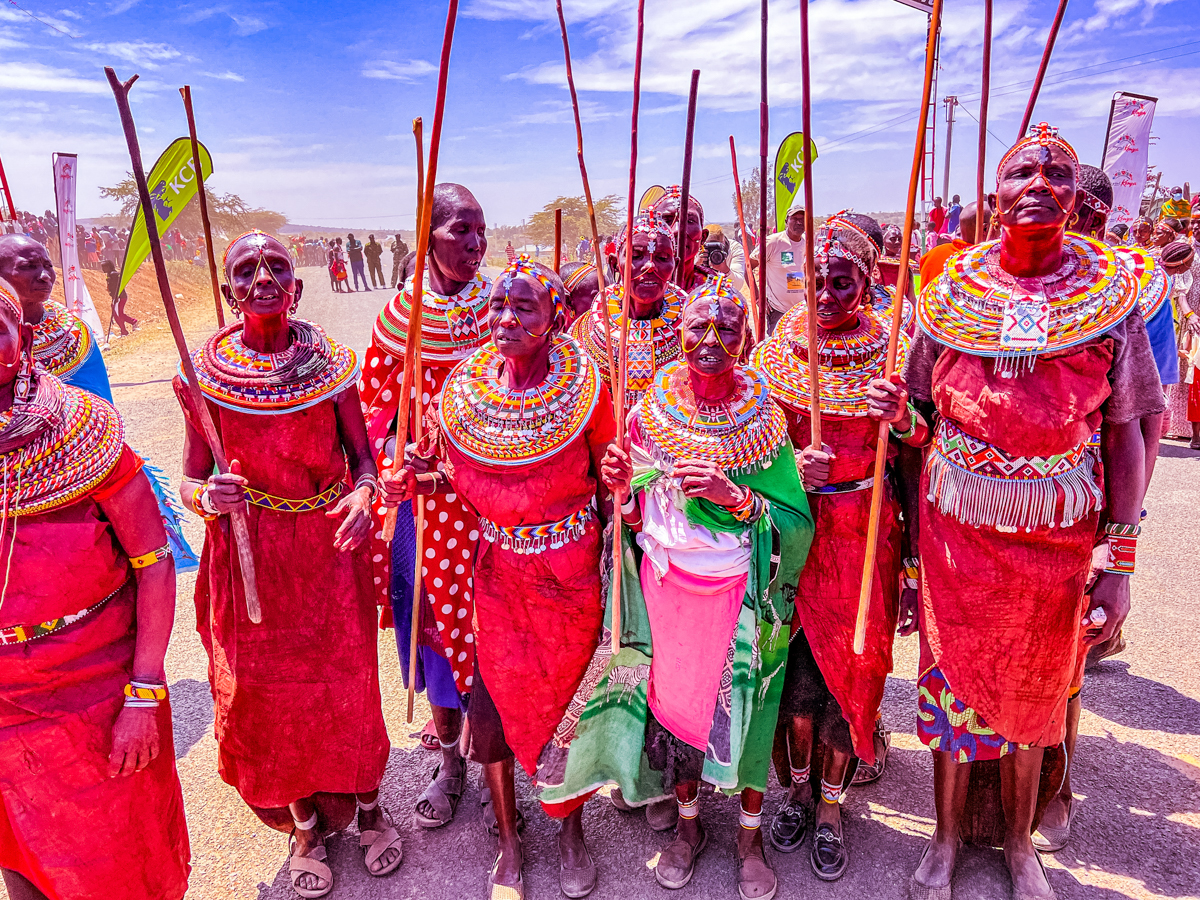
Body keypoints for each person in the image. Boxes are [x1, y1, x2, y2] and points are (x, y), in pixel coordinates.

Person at [872, 124, 1161, 900]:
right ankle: (940, 839)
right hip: (956, 530)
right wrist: (901, 434)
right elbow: (917, 419)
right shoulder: (950, 295)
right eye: (1022, 170)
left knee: (1039, 688)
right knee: (949, 685)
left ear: (1076, 196)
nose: (1040, 180)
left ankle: (1019, 845)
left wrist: (1119, 561)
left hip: (1057, 538)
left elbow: (1126, 430)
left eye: (1058, 171)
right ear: (995, 198)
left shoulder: (1112, 299)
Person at [384, 256, 615, 900]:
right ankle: (510, 842)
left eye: (524, 309)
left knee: (570, 706)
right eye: (498, 307)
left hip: (569, 578)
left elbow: (609, 482)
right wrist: (409, 479)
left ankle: (569, 830)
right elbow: (442, 477)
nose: (505, 320)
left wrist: (625, 480)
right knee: (492, 708)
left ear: (555, 319)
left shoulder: (590, 389)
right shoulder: (463, 390)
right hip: (498, 578)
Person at [176, 232, 395, 899]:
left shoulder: (332, 366)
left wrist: (364, 491)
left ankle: (367, 806)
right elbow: (190, 479)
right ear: (229, 291)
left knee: (346, 683)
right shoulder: (205, 376)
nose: (264, 277)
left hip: (329, 556)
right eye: (247, 270)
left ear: (296, 288)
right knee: (266, 699)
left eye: (277, 267)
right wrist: (207, 496)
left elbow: (364, 460)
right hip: (249, 562)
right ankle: (302, 821)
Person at [592, 277, 813, 900]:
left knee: (748, 714)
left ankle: (749, 838)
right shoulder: (648, 411)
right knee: (680, 714)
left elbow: (794, 523)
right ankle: (688, 829)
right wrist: (622, 487)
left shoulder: (765, 416)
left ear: (747, 339)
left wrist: (735, 498)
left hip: (742, 596)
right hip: (669, 592)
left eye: (727, 330)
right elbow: (634, 517)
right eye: (697, 329)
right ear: (678, 335)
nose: (710, 342)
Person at [0, 280, 191, 900]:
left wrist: (143, 693)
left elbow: (153, 560)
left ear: (23, 339)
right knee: (23, 856)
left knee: (122, 863)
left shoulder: (81, 429)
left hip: (99, 686)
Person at [753, 214, 917, 881]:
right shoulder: (774, 350)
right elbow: (748, 446)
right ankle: (794, 791)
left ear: (867, 280)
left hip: (865, 537)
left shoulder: (896, 350)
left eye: (841, 281)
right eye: (815, 280)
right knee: (790, 682)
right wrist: (793, 463)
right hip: (796, 538)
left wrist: (902, 415)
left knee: (852, 680)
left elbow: (918, 455)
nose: (825, 293)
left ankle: (831, 809)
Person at [359, 183, 489, 832]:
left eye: (480, 231)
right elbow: (375, 408)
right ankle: (452, 761)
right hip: (428, 501)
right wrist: (401, 449)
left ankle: (500, 756)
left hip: (494, 501)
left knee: (500, 622)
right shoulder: (398, 318)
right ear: (426, 238)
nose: (474, 244)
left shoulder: (504, 308)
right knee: (432, 623)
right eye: (459, 231)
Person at [573, 211, 685, 411]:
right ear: (615, 263)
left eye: (662, 257)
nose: (650, 265)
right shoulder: (587, 331)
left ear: (674, 265)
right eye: (635, 255)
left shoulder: (692, 326)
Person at [748, 203, 807, 332]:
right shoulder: (773, 242)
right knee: (778, 349)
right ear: (787, 221)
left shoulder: (808, 243)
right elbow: (748, 267)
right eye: (795, 219)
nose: (799, 223)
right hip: (778, 311)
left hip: (802, 312)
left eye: (802, 219)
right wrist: (758, 298)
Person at [651, 185, 714, 292]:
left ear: (703, 237)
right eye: (666, 221)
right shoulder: (634, 289)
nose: (677, 230)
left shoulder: (716, 289)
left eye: (689, 221)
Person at [103, 258, 138, 335]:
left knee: (119, 314)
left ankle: (128, 327)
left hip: (120, 297)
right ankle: (126, 328)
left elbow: (118, 286)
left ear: (109, 266)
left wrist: (116, 297)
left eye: (105, 267)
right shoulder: (109, 274)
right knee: (117, 315)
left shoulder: (114, 274)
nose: (103, 268)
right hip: (115, 298)